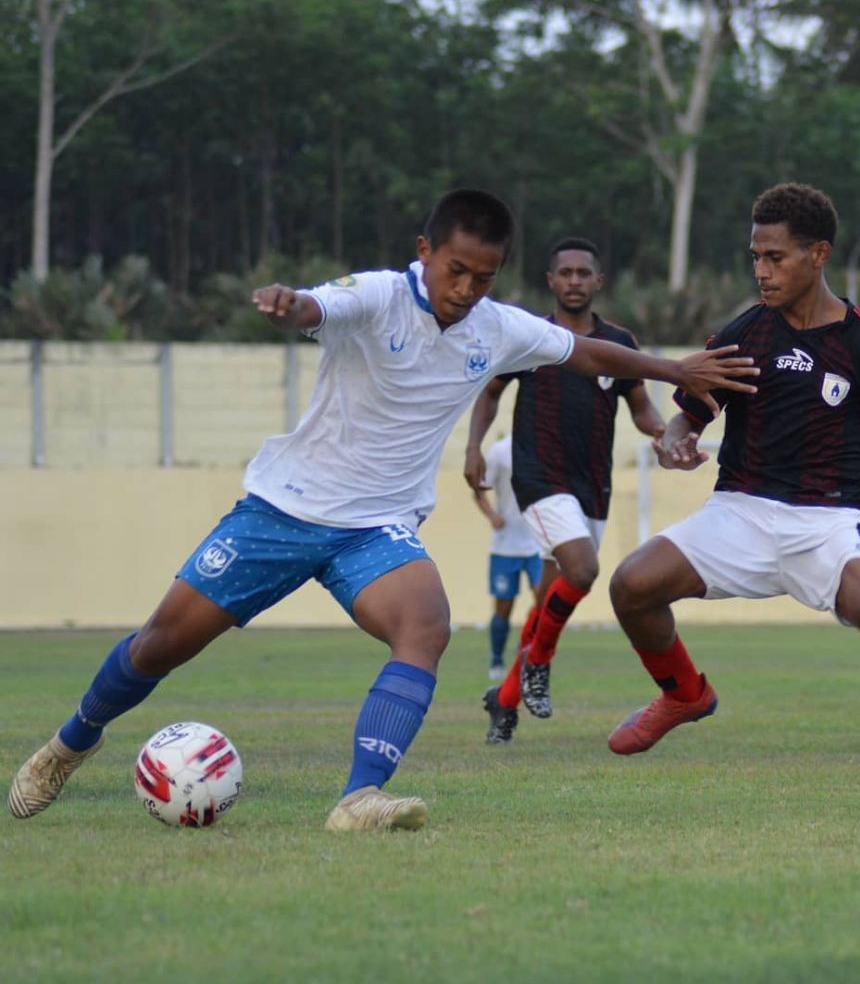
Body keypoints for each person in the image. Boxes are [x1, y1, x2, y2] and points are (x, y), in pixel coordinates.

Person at [7, 189, 759, 831]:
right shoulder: (377, 295)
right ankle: (69, 745)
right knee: (158, 646)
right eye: (454, 269)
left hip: (376, 527)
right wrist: (287, 304)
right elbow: (317, 305)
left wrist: (673, 369)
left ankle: (358, 796)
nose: (465, 287)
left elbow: (586, 352)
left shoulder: (498, 327)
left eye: (483, 276)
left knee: (425, 626)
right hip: (283, 511)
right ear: (425, 250)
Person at [605, 182, 860, 812]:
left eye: (775, 258)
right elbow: (688, 416)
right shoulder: (744, 335)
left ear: (818, 254)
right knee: (629, 586)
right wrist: (674, 441)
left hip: (835, 516)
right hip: (741, 508)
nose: (761, 271)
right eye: (755, 257)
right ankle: (684, 693)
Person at [465, 237, 667, 744]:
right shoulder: (530, 338)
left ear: (598, 282)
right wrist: (474, 449)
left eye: (584, 273)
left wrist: (667, 436)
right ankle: (538, 666)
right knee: (583, 570)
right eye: (565, 272)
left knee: (550, 602)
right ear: (550, 281)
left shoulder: (619, 342)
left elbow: (642, 407)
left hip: (591, 485)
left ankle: (504, 700)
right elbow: (489, 395)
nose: (574, 280)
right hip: (539, 478)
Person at [473, 433, 545, 680]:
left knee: (544, 599)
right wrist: (492, 516)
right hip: (506, 545)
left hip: (538, 543)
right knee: (504, 606)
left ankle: (527, 651)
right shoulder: (500, 451)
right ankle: (496, 659)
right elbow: (479, 490)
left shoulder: (545, 445)